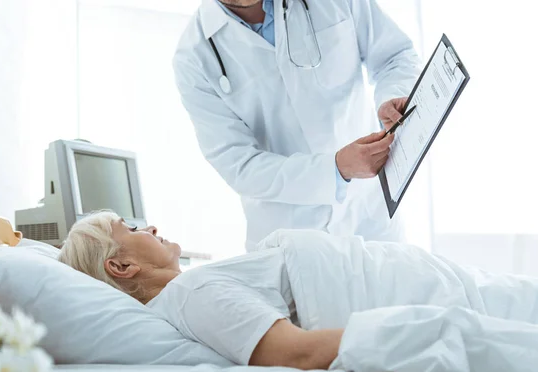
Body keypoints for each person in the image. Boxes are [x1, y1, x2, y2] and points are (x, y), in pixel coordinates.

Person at [58, 211, 538, 371]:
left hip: (444, 284)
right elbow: (296, 353)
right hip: (445, 301)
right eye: (134, 226)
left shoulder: (195, 288)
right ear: (121, 265)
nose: (153, 226)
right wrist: (437, 332)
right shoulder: (193, 295)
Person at [173, 0, 422, 250]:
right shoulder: (194, 57)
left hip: (369, 213)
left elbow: (394, 56)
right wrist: (335, 168)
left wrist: (392, 98)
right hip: (289, 238)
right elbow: (239, 165)